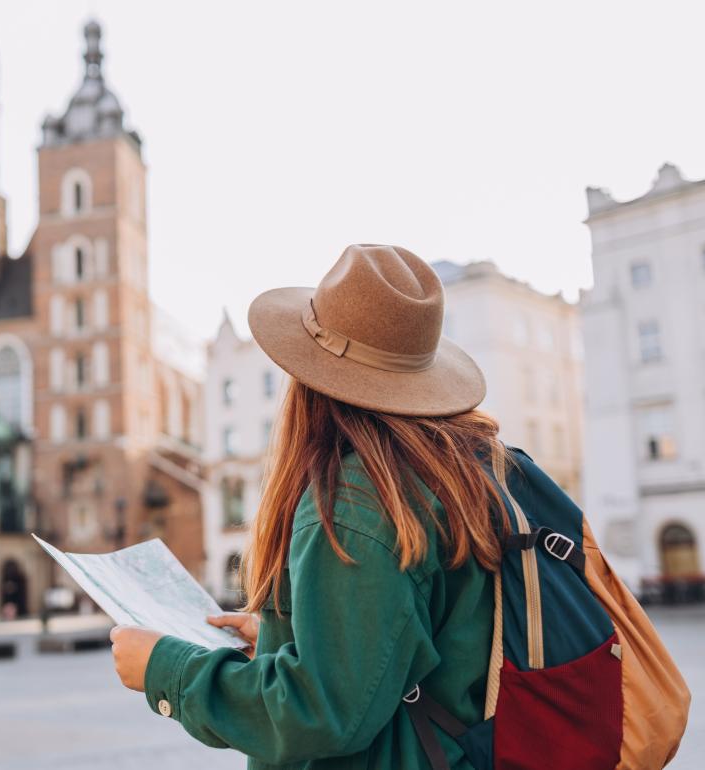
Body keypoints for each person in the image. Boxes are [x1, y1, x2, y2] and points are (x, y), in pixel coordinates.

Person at [111, 244, 514, 769]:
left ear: (311, 380)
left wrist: (164, 668)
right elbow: (403, 644)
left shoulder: (356, 501)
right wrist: (292, 637)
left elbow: (320, 712)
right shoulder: (451, 472)